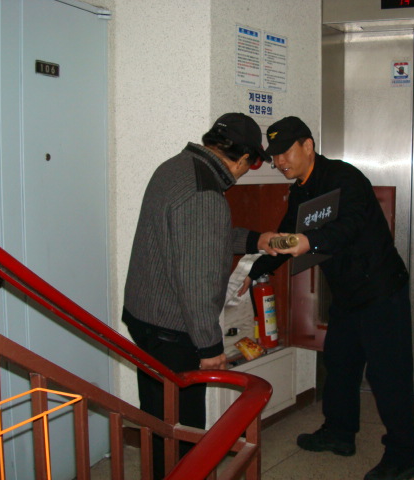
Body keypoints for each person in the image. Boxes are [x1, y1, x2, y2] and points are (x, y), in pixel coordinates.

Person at [239, 116, 414, 480]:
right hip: (347, 294)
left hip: (381, 290)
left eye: (286, 152)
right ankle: (339, 433)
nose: (280, 162)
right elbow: (287, 235)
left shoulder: (344, 178)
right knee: (340, 365)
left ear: (308, 146)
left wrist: (311, 241)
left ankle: (403, 456)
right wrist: (256, 269)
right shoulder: (300, 190)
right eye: (275, 156)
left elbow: (350, 225)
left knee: (389, 376)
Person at [122, 112, 274, 478]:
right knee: (183, 429)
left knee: (159, 419)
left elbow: (196, 236)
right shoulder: (205, 194)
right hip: (174, 332)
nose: (246, 172)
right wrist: (209, 347)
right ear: (242, 158)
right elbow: (197, 279)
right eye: (252, 164)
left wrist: (255, 239)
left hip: (145, 317)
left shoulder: (175, 167)